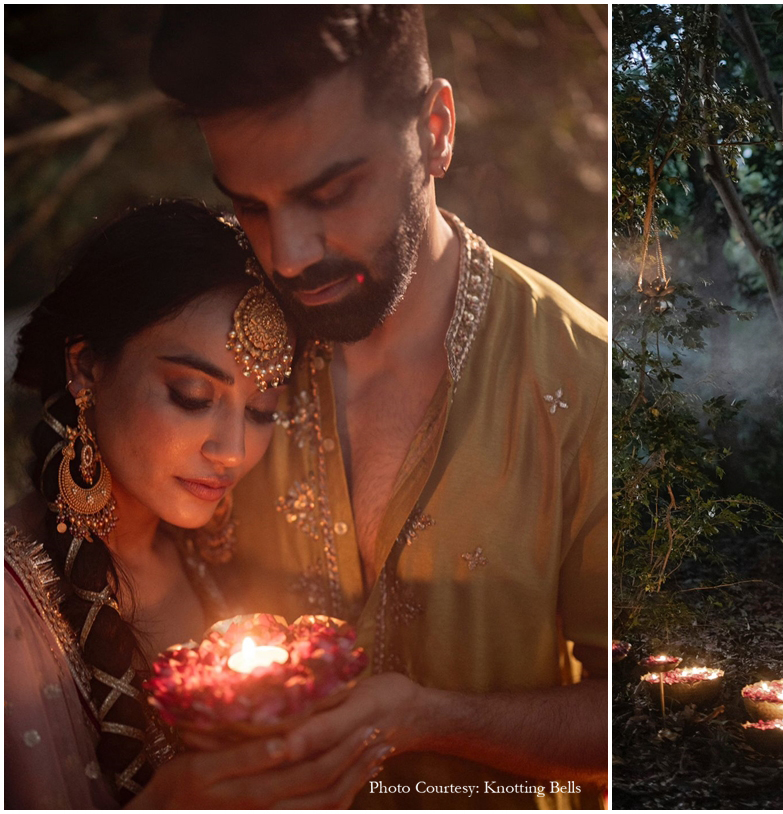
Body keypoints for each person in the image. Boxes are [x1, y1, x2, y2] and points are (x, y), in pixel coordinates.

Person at [149, 6, 607, 808]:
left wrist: (435, 719)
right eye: (251, 207)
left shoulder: (584, 377)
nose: (289, 254)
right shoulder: (220, 356)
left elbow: (636, 720)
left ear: (436, 132)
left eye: (331, 193)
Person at [5, 200, 388, 807]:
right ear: (86, 367)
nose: (232, 451)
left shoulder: (210, 559)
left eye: (261, 411)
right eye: (191, 395)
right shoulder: (12, 605)